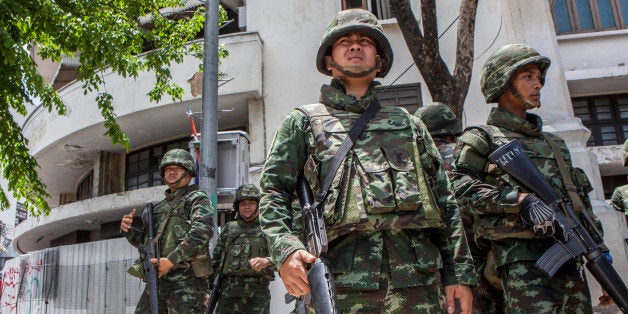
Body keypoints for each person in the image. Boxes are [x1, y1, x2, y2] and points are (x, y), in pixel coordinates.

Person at [259, 9, 476, 313]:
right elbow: (273, 193)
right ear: (329, 61)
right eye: (344, 40)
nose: (356, 45)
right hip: (341, 284)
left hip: (418, 283)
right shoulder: (303, 122)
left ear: (380, 61)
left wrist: (458, 273)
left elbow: (445, 201)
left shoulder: (409, 124)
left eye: (365, 41)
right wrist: (286, 250)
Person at [451, 43, 603, 313]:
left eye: (539, 78)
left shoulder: (554, 143)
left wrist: (600, 254)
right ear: (503, 82)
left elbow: (579, 201)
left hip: (569, 257)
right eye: (527, 77)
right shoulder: (482, 138)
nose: (538, 85)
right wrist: (519, 200)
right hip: (516, 259)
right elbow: (457, 188)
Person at [416, 103, 504, 314]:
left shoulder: (418, 160)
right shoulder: (467, 156)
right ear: (454, 134)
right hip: (482, 259)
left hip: (440, 263)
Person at [120, 148, 214, 313]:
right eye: (168, 169)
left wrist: (170, 261)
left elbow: (201, 232)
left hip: (186, 282)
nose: (171, 172)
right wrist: (128, 230)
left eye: (177, 169)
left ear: (189, 173)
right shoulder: (158, 208)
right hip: (157, 279)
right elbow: (145, 242)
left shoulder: (197, 198)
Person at [211, 184, 275, 313]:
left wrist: (267, 261)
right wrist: (208, 289)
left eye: (251, 203)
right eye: (243, 203)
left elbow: (281, 258)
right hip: (228, 292)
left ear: (258, 205)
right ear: (237, 207)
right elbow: (216, 261)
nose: (247, 207)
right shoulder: (229, 228)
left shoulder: (268, 228)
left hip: (257, 293)